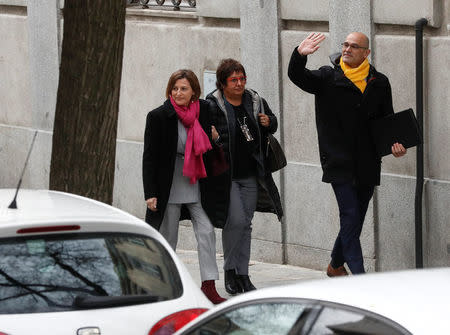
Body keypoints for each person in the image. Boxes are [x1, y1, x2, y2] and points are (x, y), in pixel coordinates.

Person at [288, 32, 407, 276]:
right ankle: (360, 280)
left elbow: (388, 121)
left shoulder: (380, 82)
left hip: (368, 161)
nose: (347, 49)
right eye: (345, 44)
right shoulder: (327, 77)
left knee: (355, 220)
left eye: (354, 46)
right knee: (350, 215)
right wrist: (299, 55)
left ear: (366, 52)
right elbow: (297, 76)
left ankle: (335, 265)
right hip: (338, 161)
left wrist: (395, 145)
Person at [142, 69, 225, 304]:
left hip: (198, 182)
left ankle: (208, 285)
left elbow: (214, 144)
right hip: (170, 184)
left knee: (207, 232)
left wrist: (216, 138)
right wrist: (150, 193)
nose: (178, 93)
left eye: (184, 89)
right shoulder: (158, 116)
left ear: (194, 92)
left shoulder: (204, 110)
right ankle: (166, 284)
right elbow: (149, 157)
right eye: (175, 88)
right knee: (169, 237)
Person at [204, 59, 283, 294]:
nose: (239, 84)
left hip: (252, 173)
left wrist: (270, 122)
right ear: (222, 83)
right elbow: (206, 138)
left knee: (246, 225)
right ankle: (230, 271)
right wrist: (216, 138)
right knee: (235, 221)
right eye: (233, 80)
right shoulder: (213, 104)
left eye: (242, 78)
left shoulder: (255, 100)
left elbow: (272, 124)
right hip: (227, 175)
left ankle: (243, 275)